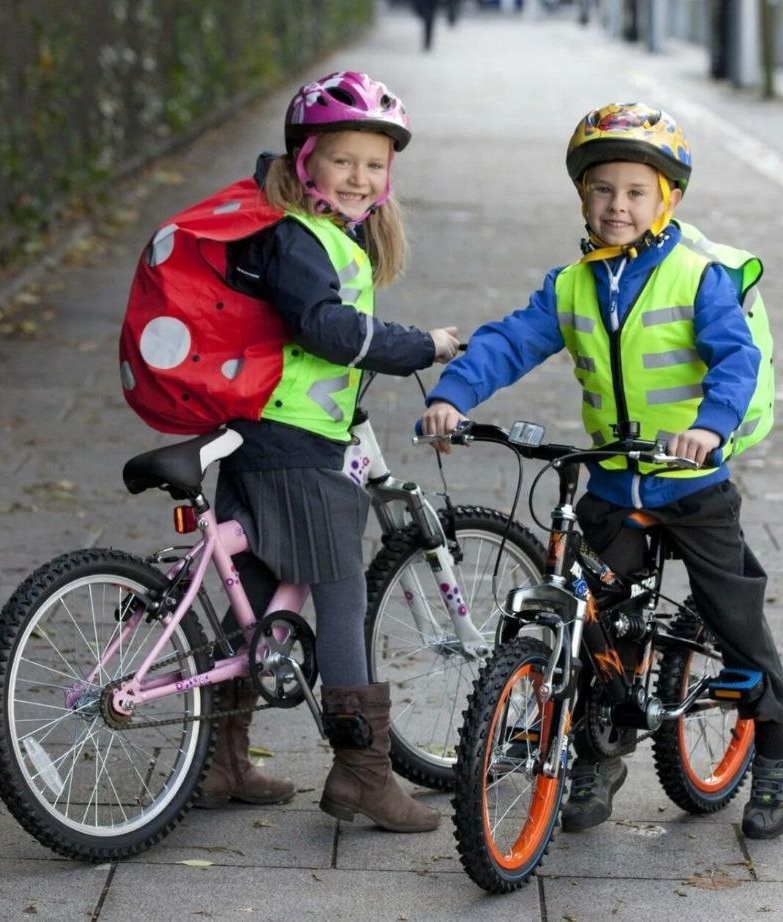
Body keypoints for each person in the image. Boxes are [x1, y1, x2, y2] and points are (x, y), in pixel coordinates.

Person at [419, 103, 783, 840]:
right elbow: (511, 341)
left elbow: (736, 361)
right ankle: (598, 754)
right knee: (596, 614)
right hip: (611, 482)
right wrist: (452, 395)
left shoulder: (698, 278)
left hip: (691, 481)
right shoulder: (572, 284)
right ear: (581, 198)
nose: (616, 206)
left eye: (635, 191)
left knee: (735, 616)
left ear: (669, 201)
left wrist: (707, 429)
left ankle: (779, 750)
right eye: (602, 190)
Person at [193, 70, 458, 833]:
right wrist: (420, 346)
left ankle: (223, 760)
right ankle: (362, 774)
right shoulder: (299, 236)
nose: (359, 178)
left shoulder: (314, 234)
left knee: (251, 585)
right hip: (296, 443)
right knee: (341, 592)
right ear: (304, 161)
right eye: (343, 160)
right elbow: (325, 328)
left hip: (259, 432)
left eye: (374, 166)